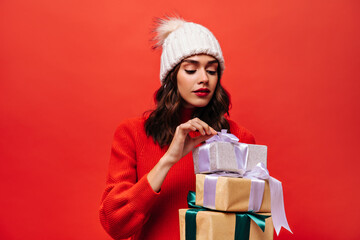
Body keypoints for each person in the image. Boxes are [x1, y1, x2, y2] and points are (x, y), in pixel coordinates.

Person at [99, 17, 256, 240]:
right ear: (171, 77)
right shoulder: (132, 133)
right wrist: (169, 159)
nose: (204, 79)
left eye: (212, 71)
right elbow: (115, 224)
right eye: (191, 70)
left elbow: (253, 222)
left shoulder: (239, 138)